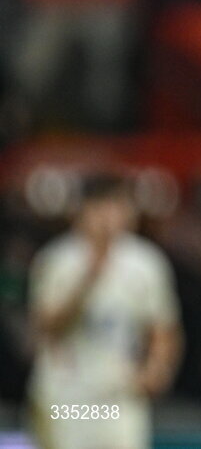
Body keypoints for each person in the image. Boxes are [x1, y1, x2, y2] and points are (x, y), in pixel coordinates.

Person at [27, 172, 183, 449]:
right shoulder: (57, 260)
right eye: (101, 207)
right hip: (65, 397)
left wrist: (157, 368)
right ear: (82, 211)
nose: (109, 216)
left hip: (119, 396)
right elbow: (45, 327)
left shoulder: (145, 263)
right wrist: (88, 279)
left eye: (118, 206)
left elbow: (163, 327)